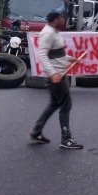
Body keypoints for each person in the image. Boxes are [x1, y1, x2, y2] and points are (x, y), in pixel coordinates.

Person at [30, 8, 83, 149]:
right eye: (61, 18)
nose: (64, 20)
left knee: (54, 104)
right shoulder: (48, 34)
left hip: (59, 73)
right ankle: (66, 139)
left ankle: (36, 132)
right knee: (66, 105)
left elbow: (56, 54)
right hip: (57, 76)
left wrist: (69, 59)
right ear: (55, 19)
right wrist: (52, 73)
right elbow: (42, 55)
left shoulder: (54, 32)